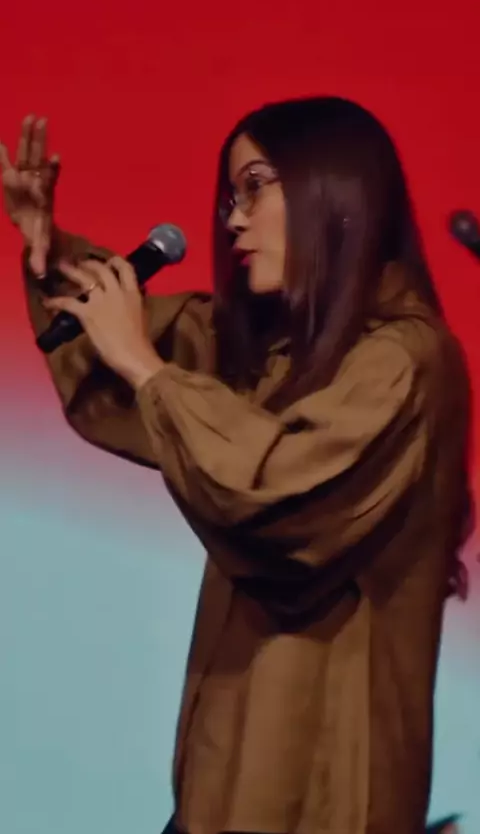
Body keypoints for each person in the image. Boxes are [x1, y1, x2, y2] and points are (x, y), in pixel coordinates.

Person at [0, 99, 473, 834]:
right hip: (222, 788)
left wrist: (148, 370)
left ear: (331, 192)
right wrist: (49, 247)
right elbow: (144, 349)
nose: (234, 219)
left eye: (255, 188)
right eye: (231, 197)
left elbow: (275, 499)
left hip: (319, 800)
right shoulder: (283, 350)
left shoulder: (402, 362)